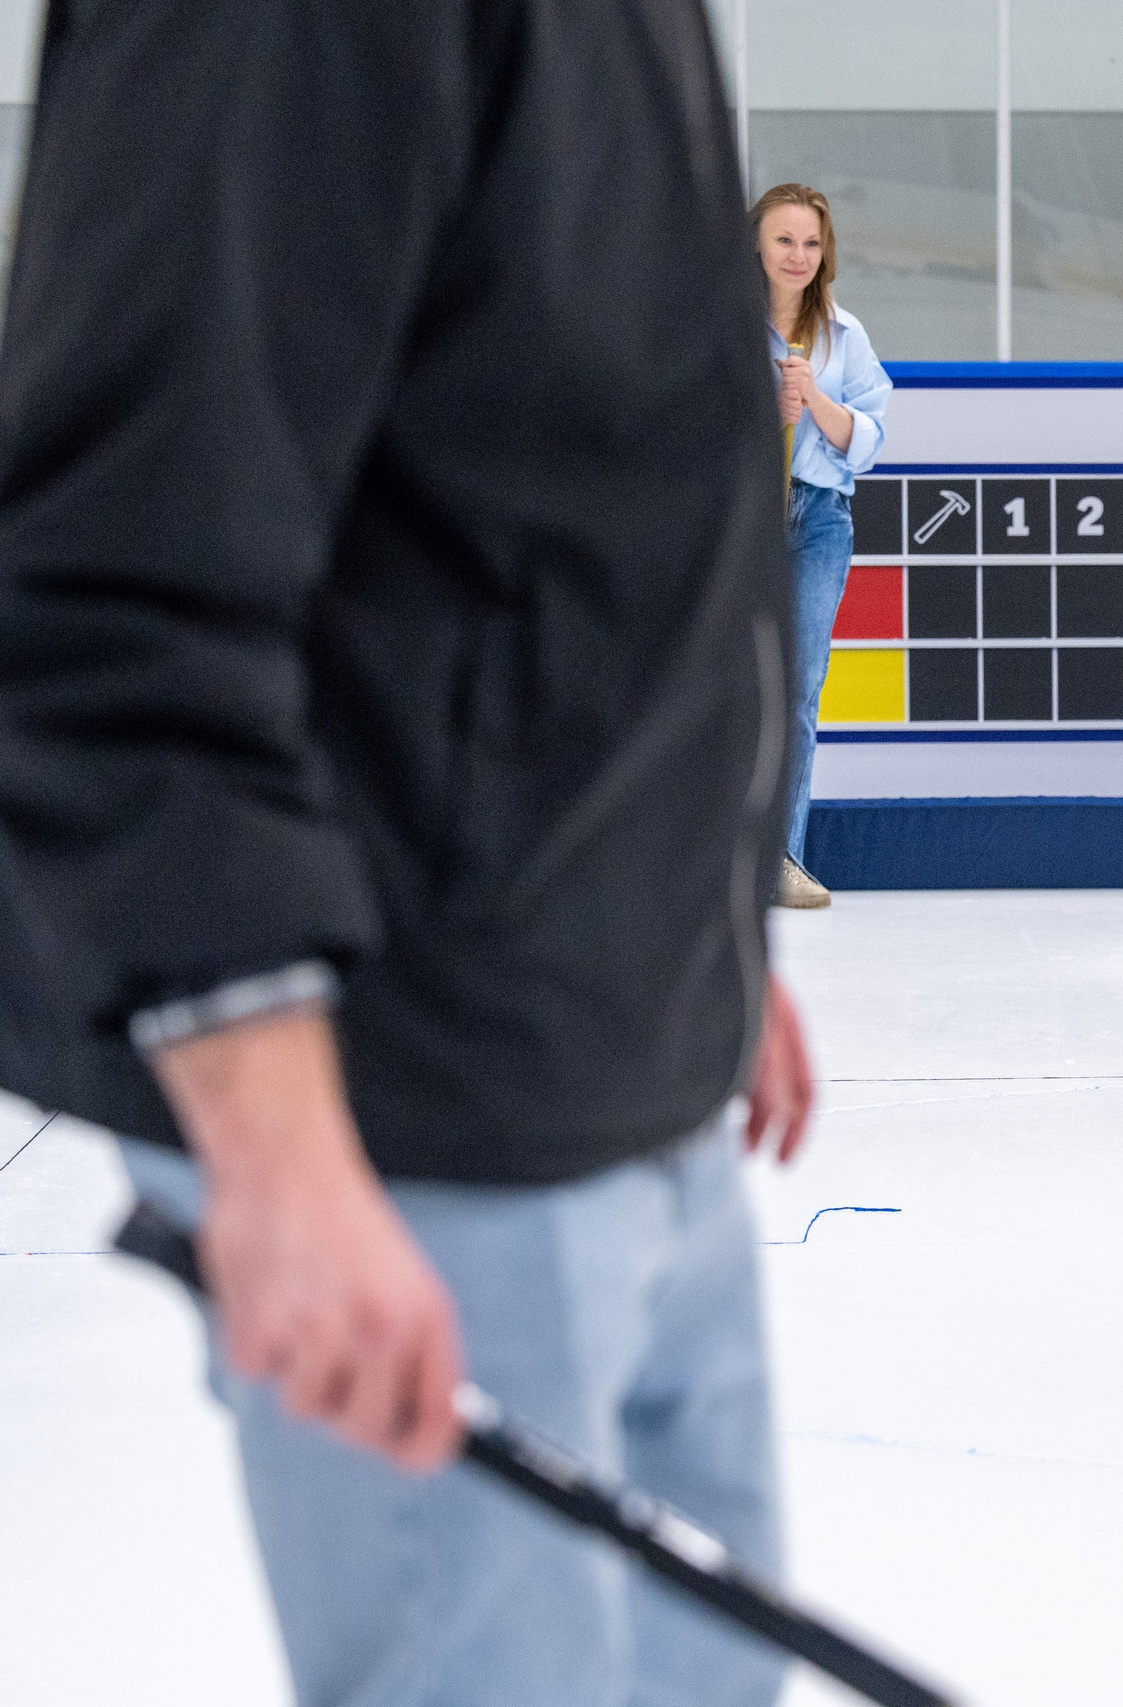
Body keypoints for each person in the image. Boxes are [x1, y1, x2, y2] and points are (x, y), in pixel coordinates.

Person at [0, 6, 813, 1704]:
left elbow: (578, 491)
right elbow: (120, 571)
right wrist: (273, 1136)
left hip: (628, 1042)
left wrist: (704, 905)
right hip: (417, 1098)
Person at [753, 183, 891, 910]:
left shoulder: (844, 334)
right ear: (756, 243)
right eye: (784, 239)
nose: (797, 255)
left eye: (810, 242)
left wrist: (814, 399)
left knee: (800, 687)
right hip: (745, 515)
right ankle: (713, 862)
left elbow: (867, 440)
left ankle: (783, 857)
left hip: (820, 520)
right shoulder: (721, 323)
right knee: (731, 683)